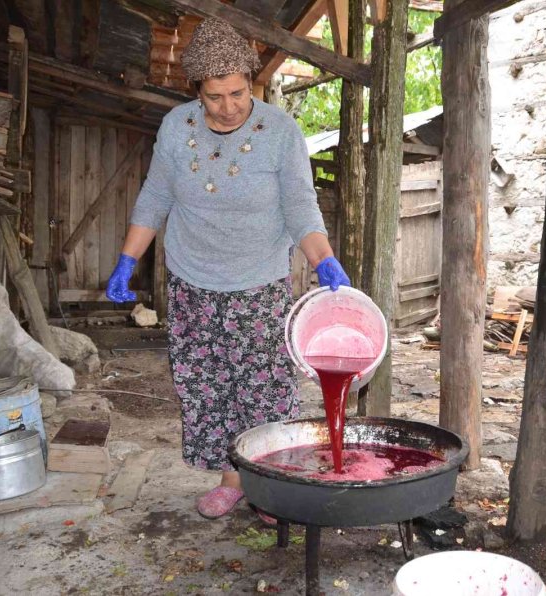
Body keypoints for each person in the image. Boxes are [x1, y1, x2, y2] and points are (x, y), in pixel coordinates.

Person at [104, 18, 350, 521]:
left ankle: (272, 484)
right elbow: (156, 196)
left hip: (257, 283)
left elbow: (301, 209)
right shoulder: (177, 127)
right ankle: (232, 479)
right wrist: (127, 259)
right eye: (215, 96)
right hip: (193, 280)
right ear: (197, 90)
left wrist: (323, 259)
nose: (229, 106)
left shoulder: (280, 132)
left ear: (251, 82)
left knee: (264, 388)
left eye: (238, 92)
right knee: (206, 385)